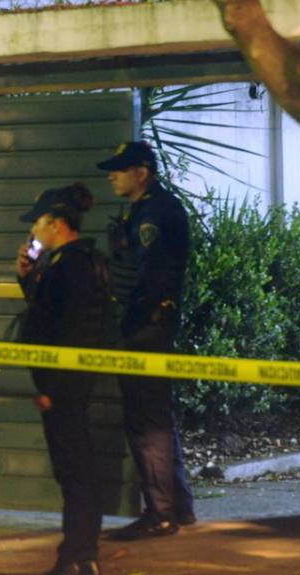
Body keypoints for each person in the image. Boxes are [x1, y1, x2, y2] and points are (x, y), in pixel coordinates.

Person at [14, 183, 112, 575]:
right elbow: (46, 313)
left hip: (65, 383)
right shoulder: (67, 262)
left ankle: (76, 557)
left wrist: (53, 387)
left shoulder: (72, 266)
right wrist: (27, 276)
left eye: (37, 223)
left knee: (74, 472)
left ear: (56, 224)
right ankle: (82, 556)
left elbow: (69, 330)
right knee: (75, 470)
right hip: (66, 381)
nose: (33, 231)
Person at [98, 141, 197, 541]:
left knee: (147, 422)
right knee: (156, 416)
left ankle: (161, 513)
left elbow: (151, 280)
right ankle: (178, 506)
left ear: (141, 173)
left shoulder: (156, 213)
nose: (112, 176)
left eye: (120, 169)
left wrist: (128, 326)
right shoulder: (142, 209)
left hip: (146, 328)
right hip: (147, 325)